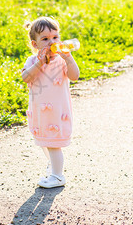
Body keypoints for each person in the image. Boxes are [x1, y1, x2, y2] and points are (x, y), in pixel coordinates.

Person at [21, 16, 80, 188]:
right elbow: (26, 77)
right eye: (45, 39)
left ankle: (58, 176)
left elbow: (74, 76)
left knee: (53, 144)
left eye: (55, 38)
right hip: (40, 112)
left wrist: (69, 58)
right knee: (43, 141)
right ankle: (53, 166)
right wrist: (39, 62)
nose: (51, 42)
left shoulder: (62, 61)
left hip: (57, 113)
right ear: (35, 44)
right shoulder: (33, 61)